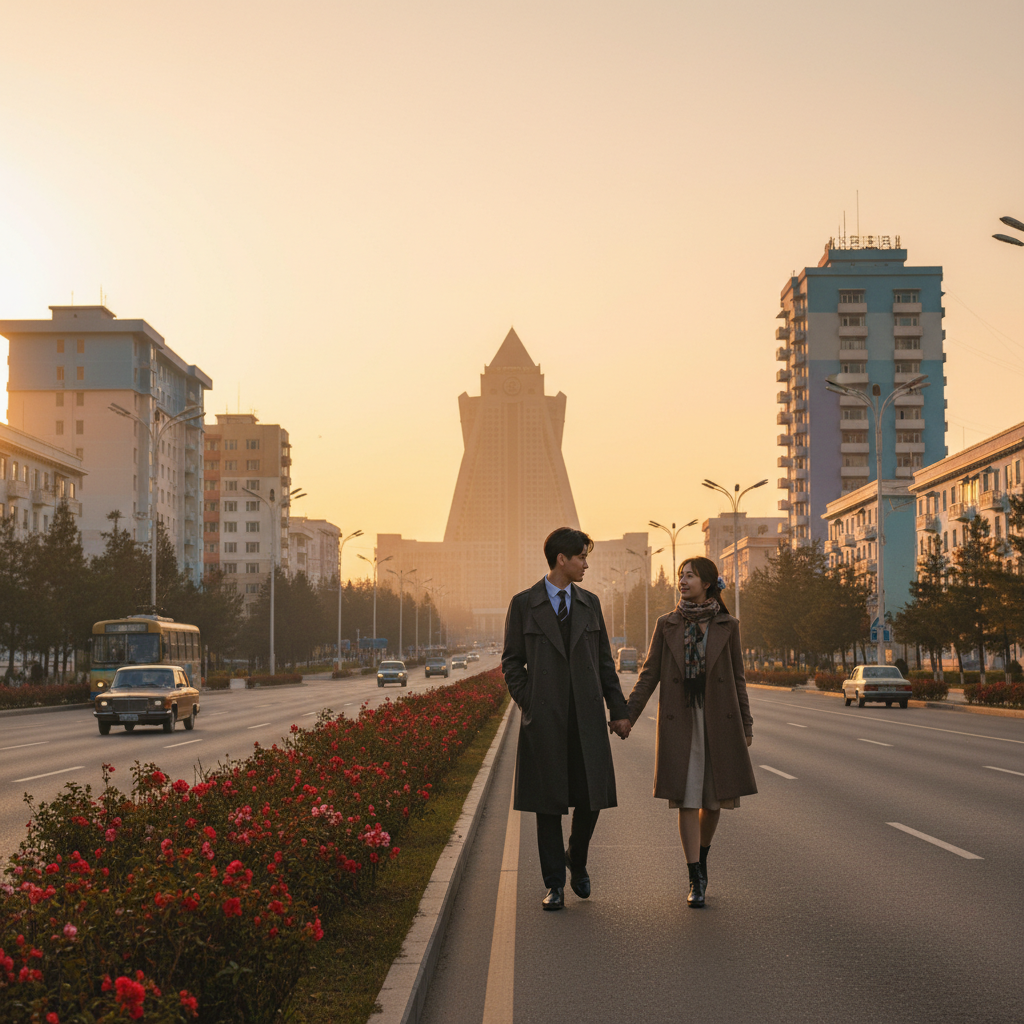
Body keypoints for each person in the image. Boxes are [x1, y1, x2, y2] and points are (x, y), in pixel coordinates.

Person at [502, 527, 632, 911]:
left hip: (586, 717)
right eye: (581, 557)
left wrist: (618, 711)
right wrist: (529, 702)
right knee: (548, 804)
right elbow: (511, 662)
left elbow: (605, 663)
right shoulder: (524, 604)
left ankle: (577, 855)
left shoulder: (590, 603)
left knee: (591, 798)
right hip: (545, 719)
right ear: (562, 559)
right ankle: (554, 884)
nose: (586, 564)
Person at [622, 556, 756, 908]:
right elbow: (649, 674)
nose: (682, 581)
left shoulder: (728, 625)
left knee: (713, 802)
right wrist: (627, 715)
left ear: (707, 583)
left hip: (718, 722)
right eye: (680, 576)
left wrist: (746, 724)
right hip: (682, 721)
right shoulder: (666, 624)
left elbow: (738, 678)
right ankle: (694, 874)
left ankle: (703, 856)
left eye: (690, 576)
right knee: (687, 797)